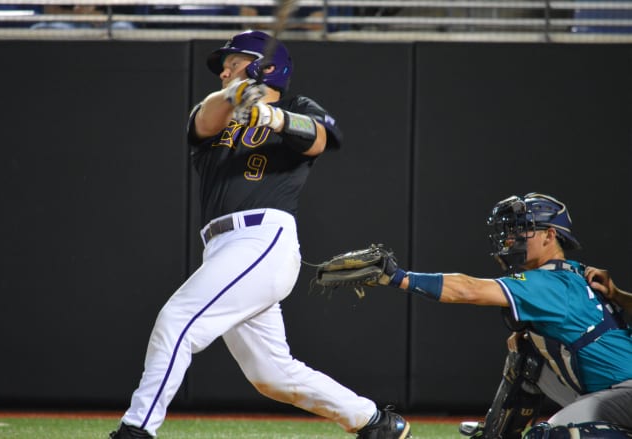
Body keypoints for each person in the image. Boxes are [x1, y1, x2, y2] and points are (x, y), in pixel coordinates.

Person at [108, 30, 410, 439]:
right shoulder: (218, 111)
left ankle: (137, 430)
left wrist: (273, 117)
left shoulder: (295, 107)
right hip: (221, 248)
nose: (223, 72)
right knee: (272, 375)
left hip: (262, 239)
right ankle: (375, 422)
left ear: (263, 66)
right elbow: (203, 117)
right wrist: (237, 95)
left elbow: (323, 137)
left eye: (232, 63)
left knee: (176, 321)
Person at [376, 193, 632, 438]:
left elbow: (468, 290)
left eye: (522, 229)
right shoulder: (571, 272)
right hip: (608, 389)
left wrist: (398, 277)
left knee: (551, 437)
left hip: (624, 392)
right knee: (526, 354)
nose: (512, 237)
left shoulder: (549, 282)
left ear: (550, 235)